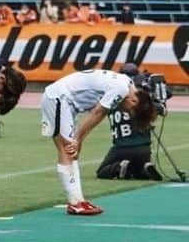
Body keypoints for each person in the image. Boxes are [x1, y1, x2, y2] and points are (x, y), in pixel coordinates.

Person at [40, 70, 155, 215]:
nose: (126, 111)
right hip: (59, 98)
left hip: (65, 102)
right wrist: (78, 139)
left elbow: (100, 113)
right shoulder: (121, 89)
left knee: (71, 151)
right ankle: (75, 203)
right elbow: (98, 112)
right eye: (131, 111)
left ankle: (78, 201)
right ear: (134, 101)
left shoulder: (126, 84)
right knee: (67, 149)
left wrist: (79, 139)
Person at [95, 66, 162, 180]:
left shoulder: (112, 95)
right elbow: (160, 109)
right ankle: (144, 168)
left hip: (121, 147)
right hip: (144, 148)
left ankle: (118, 167)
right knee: (137, 173)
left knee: (102, 171)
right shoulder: (142, 96)